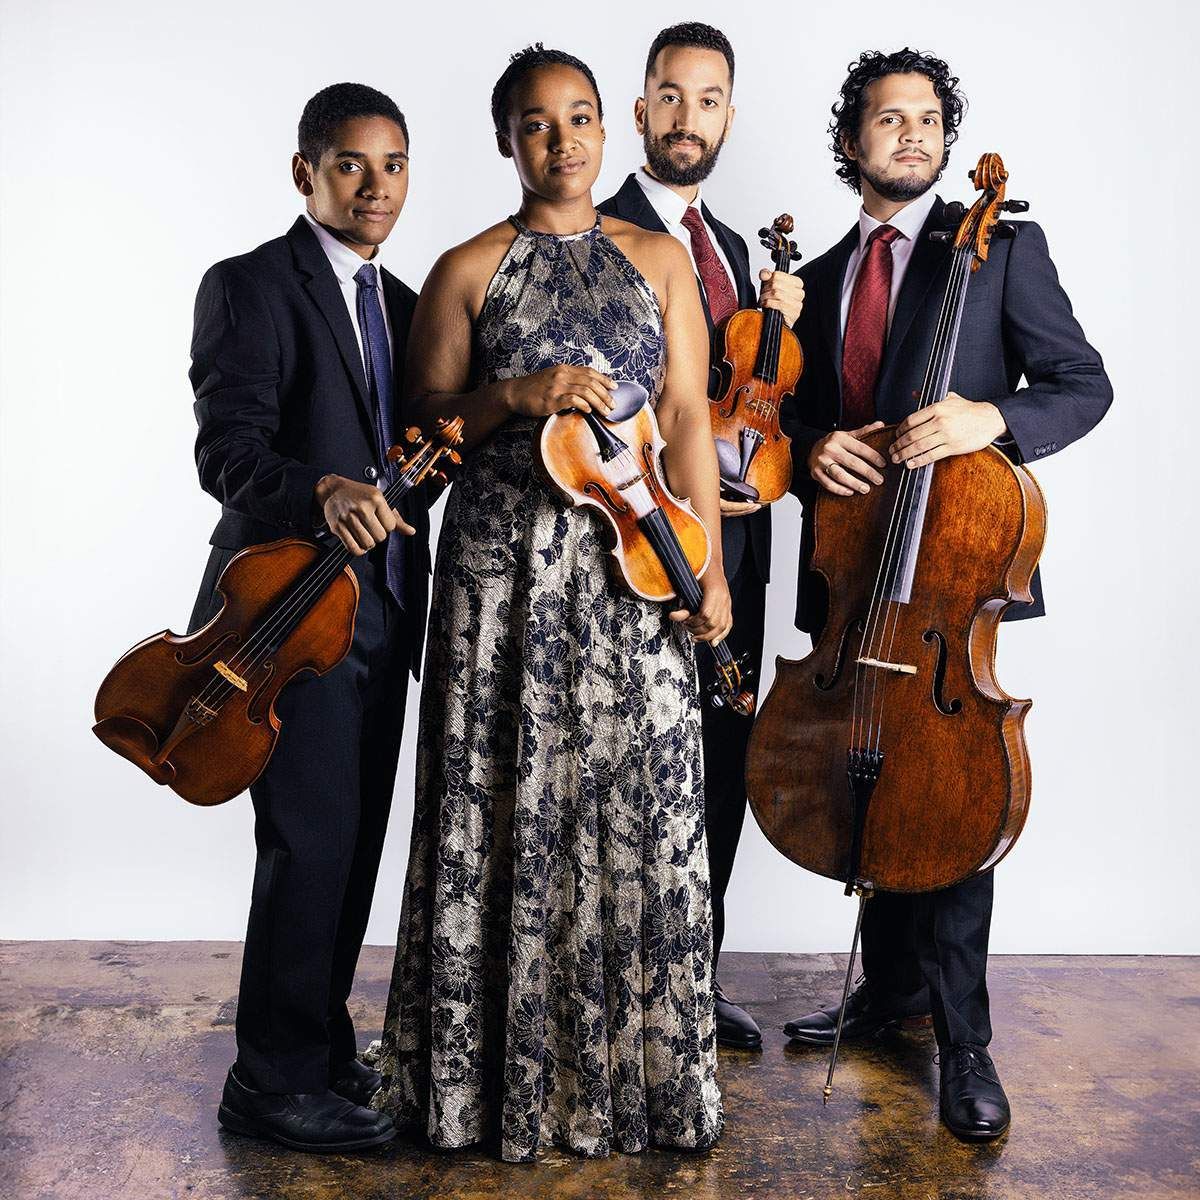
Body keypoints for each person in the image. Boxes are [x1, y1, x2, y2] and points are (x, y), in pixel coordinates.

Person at [371, 45, 728, 1162]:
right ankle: (490, 1090)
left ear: (607, 131)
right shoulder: (465, 268)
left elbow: (688, 419)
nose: (562, 140)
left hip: (635, 569)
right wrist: (517, 394)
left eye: (579, 118)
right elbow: (423, 426)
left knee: (645, 807)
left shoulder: (659, 260)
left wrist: (708, 565)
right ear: (505, 140)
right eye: (536, 122)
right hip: (501, 582)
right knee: (502, 805)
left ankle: (641, 1085)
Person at [780, 49, 1111, 1140]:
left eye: (929, 118)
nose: (913, 133)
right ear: (851, 142)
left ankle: (966, 1043)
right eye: (890, 118)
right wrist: (810, 446)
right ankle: (889, 996)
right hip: (854, 580)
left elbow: (1083, 384)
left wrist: (990, 419)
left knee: (953, 798)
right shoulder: (821, 275)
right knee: (864, 778)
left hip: (951, 574)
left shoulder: (1000, 247)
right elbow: (788, 421)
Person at [187, 82, 428, 1153]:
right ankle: (268, 1080)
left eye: (393, 165)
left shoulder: (405, 304)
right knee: (306, 837)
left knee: (355, 839)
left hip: (384, 611)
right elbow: (226, 453)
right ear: (305, 173)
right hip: (284, 612)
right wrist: (321, 490)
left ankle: (321, 1048)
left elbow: (414, 461)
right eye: (350, 164)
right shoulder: (247, 285)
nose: (375, 187)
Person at [597, 22, 805, 1052]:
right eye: (671, 97)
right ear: (642, 110)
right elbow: (611, 404)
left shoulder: (727, 247)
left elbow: (740, 406)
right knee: (625, 765)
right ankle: (610, 989)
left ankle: (694, 979)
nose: (689, 118)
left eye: (709, 100)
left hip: (740, 553)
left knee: (721, 759)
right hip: (640, 547)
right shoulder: (596, 232)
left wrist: (775, 329)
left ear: (729, 116)